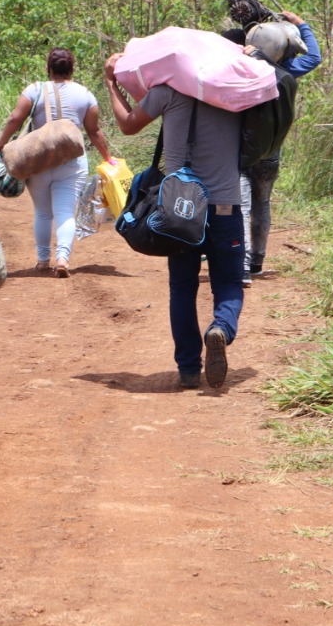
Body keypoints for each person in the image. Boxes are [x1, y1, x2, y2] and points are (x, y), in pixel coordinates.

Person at [103, 53, 245, 390]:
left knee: (183, 287)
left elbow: (128, 123)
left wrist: (111, 82)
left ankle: (188, 369)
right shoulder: (237, 91)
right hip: (225, 204)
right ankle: (221, 329)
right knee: (228, 282)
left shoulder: (167, 91)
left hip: (180, 209)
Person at [0, 48, 115, 277]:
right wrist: (108, 157)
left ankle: (42, 261)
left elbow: (15, 118)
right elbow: (94, 131)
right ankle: (62, 258)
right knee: (66, 212)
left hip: (38, 161)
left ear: (48, 68)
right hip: (72, 162)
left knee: (43, 213)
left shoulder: (34, 90)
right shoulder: (85, 94)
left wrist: (1, 144)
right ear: (73, 69)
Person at [223, 12, 321, 285]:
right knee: (262, 204)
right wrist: (302, 24)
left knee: (242, 206)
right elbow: (314, 57)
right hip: (271, 152)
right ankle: (257, 261)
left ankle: (241, 267)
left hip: (243, 151)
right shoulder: (286, 71)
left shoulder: (240, 70)